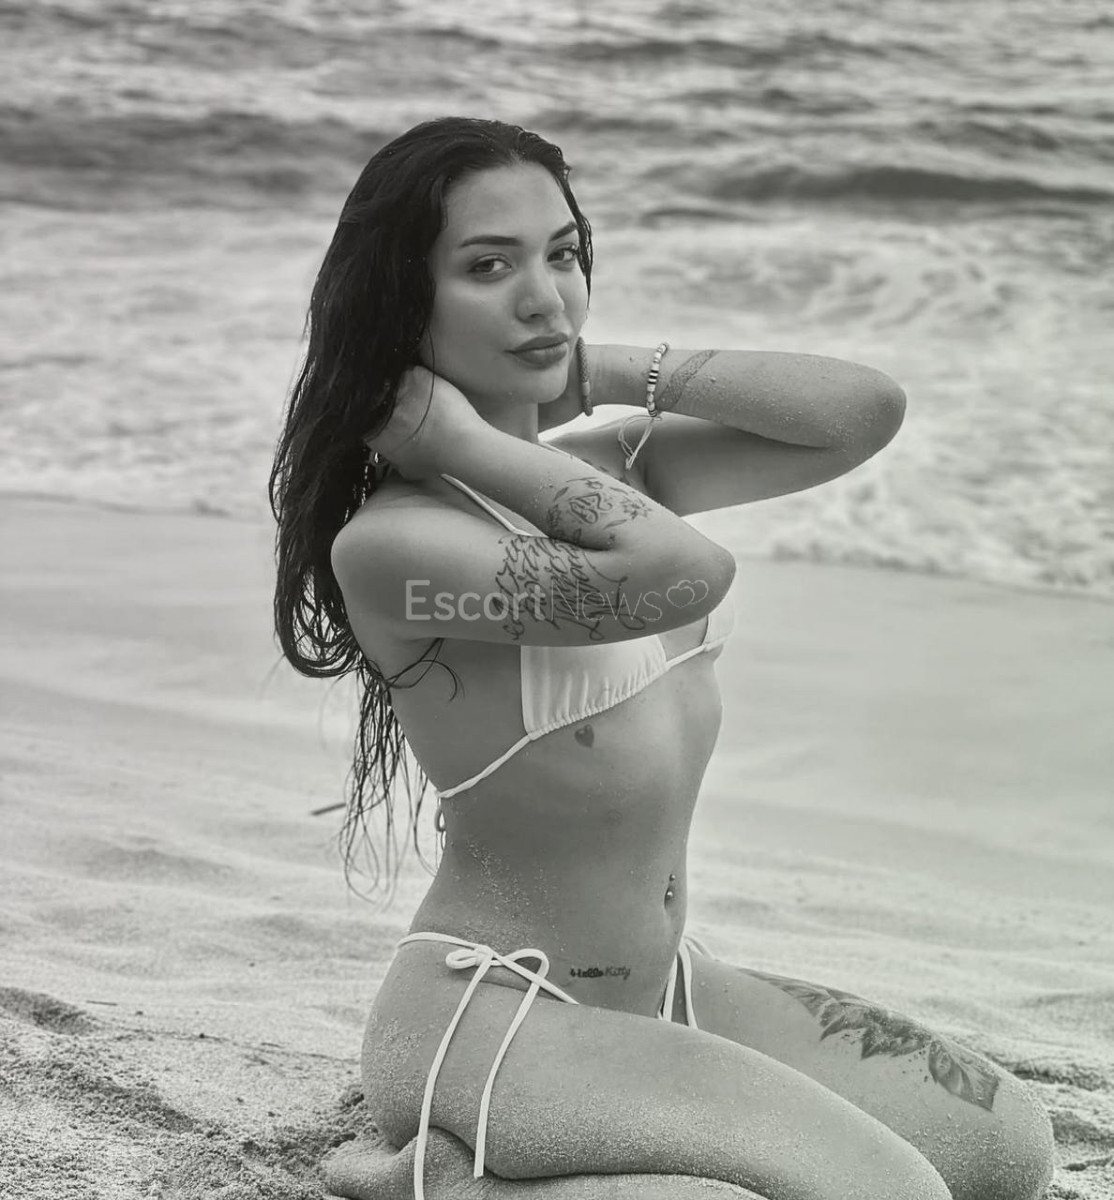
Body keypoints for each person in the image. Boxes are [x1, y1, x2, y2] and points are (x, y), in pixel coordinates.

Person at [269, 117, 1055, 1200]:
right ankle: (456, 1176)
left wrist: (588, 371)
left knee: (1003, 1151)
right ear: (402, 301)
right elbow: (680, 571)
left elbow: (860, 413)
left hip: (662, 989)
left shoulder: (607, 469)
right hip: (495, 1016)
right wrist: (463, 444)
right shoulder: (396, 546)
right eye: (488, 267)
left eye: (562, 254)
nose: (544, 298)